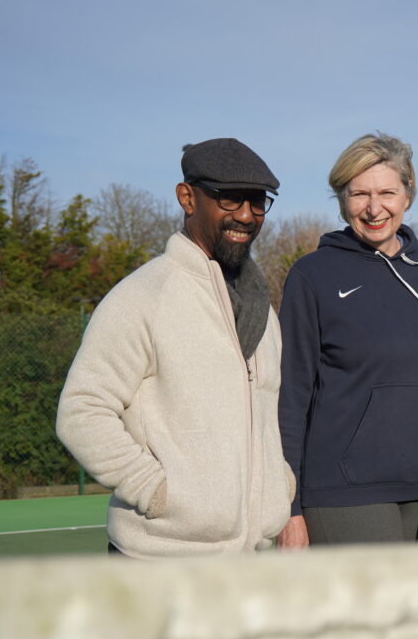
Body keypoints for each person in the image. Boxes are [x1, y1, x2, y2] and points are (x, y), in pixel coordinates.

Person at [56, 138, 295, 558]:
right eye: (228, 198)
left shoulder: (263, 311)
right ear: (187, 198)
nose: (245, 215)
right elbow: (82, 412)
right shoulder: (142, 297)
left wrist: (281, 483)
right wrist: (155, 491)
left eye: (258, 202)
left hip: (250, 558)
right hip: (158, 560)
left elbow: (267, 417)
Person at [276, 132, 418, 547]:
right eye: (360, 194)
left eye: (387, 193)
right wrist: (289, 507)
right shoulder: (313, 275)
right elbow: (290, 396)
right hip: (343, 491)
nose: (374, 208)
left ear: (407, 195)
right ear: (342, 200)